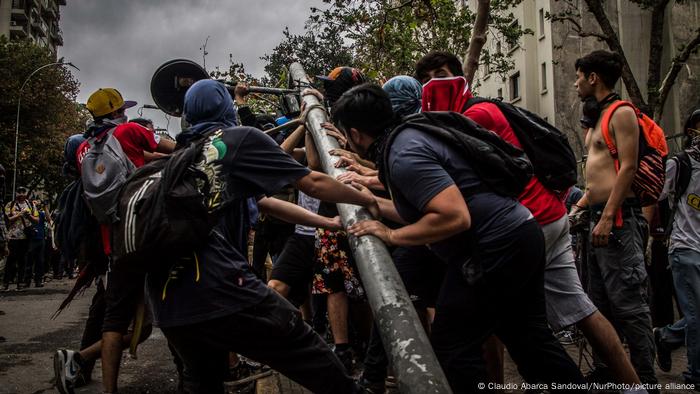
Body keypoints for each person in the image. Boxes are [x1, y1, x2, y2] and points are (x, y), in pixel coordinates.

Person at [99, 80, 378, 394]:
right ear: (225, 107)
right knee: (305, 348)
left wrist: (328, 222)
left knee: (202, 381)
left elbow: (265, 202)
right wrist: (369, 200)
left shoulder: (183, 157)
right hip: (220, 287)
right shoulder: (237, 140)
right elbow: (312, 181)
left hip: (170, 306)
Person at [415, 50, 644, 389]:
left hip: (526, 223)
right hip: (546, 217)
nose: (437, 83)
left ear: (459, 78)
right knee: (579, 309)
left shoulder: (475, 116)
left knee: (495, 318)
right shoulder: (476, 111)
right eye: (429, 79)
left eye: (443, 74)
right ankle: (634, 385)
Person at [335, 83, 585, 392]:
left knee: (453, 346)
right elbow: (428, 211)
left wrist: (391, 234)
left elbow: (454, 216)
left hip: (497, 244)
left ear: (356, 134)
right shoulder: (409, 136)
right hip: (520, 230)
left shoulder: (403, 154)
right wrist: (374, 203)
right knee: (529, 339)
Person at [54, 88, 175, 394]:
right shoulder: (132, 131)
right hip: (145, 237)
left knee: (114, 321)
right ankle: (79, 359)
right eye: (123, 109)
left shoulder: (86, 148)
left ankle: (102, 383)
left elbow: (142, 156)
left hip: (113, 246)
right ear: (118, 112)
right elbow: (176, 147)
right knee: (155, 320)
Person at [570, 50, 657, 386]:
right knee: (599, 304)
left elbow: (629, 168)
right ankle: (609, 376)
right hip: (596, 218)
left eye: (579, 76)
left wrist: (607, 217)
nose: (576, 83)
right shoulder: (596, 117)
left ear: (594, 78)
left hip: (619, 221)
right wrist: (576, 213)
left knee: (630, 307)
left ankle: (645, 382)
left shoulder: (621, 113)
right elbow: (597, 181)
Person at [654, 109, 700, 387]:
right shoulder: (679, 163)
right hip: (685, 248)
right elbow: (655, 194)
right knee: (695, 316)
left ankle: (666, 336)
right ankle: (695, 374)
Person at [3, 186, 38, 291]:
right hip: (12, 237)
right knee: (10, 261)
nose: (21, 194)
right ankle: (5, 283)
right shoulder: (11, 204)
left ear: (26, 193)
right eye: (19, 192)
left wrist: (29, 216)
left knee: (23, 261)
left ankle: (20, 284)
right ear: (16, 193)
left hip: (25, 237)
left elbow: (37, 220)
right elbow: (7, 220)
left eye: (23, 192)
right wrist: (19, 214)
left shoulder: (31, 205)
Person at [24, 198, 47, 287]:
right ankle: (27, 280)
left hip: (40, 239)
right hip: (31, 239)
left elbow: (48, 219)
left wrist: (45, 207)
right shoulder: (28, 212)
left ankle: (38, 280)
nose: (36, 202)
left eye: (38, 201)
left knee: (40, 261)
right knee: (29, 260)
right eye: (34, 201)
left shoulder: (41, 213)